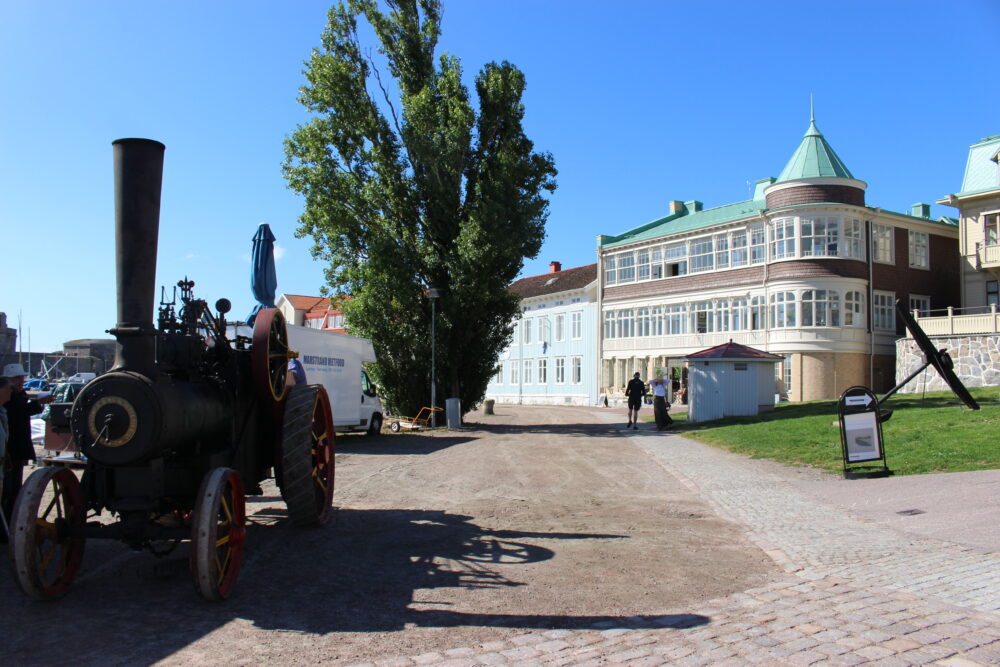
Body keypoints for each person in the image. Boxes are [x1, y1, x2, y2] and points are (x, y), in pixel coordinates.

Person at [1, 364, 53, 537]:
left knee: (14, 489)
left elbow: (22, 412)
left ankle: (10, 523)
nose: (21, 381)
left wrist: (37, 404)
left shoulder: (18, 395)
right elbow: (17, 413)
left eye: (21, 378)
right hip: (9, 450)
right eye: (17, 378)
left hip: (17, 448)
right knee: (7, 490)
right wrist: (37, 403)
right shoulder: (9, 399)